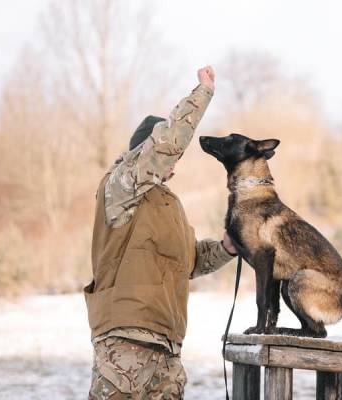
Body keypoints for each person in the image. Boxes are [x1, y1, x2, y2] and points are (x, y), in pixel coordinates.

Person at [85, 66, 237, 399]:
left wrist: (227, 247)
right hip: (123, 345)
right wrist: (203, 93)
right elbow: (166, 144)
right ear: (144, 153)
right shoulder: (121, 187)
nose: (173, 163)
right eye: (163, 156)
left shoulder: (169, 203)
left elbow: (190, 260)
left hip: (168, 350)